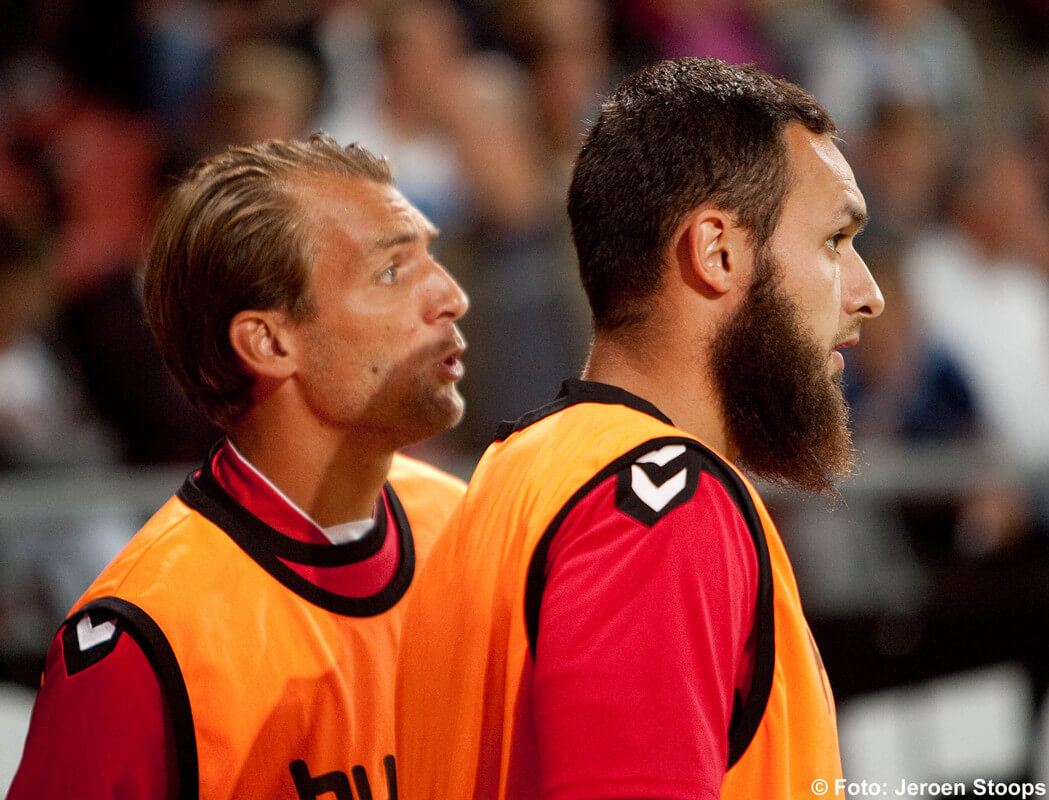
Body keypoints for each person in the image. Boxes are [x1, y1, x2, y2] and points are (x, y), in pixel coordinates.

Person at [396, 57, 885, 799]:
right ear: (717, 251)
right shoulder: (662, 509)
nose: (866, 293)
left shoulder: (513, 472)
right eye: (832, 242)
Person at [9, 132, 470, 799]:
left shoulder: (472, 528)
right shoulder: (146, 638)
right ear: (269, 341)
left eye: (433, 257)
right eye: (392, 272)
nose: (451, 295)